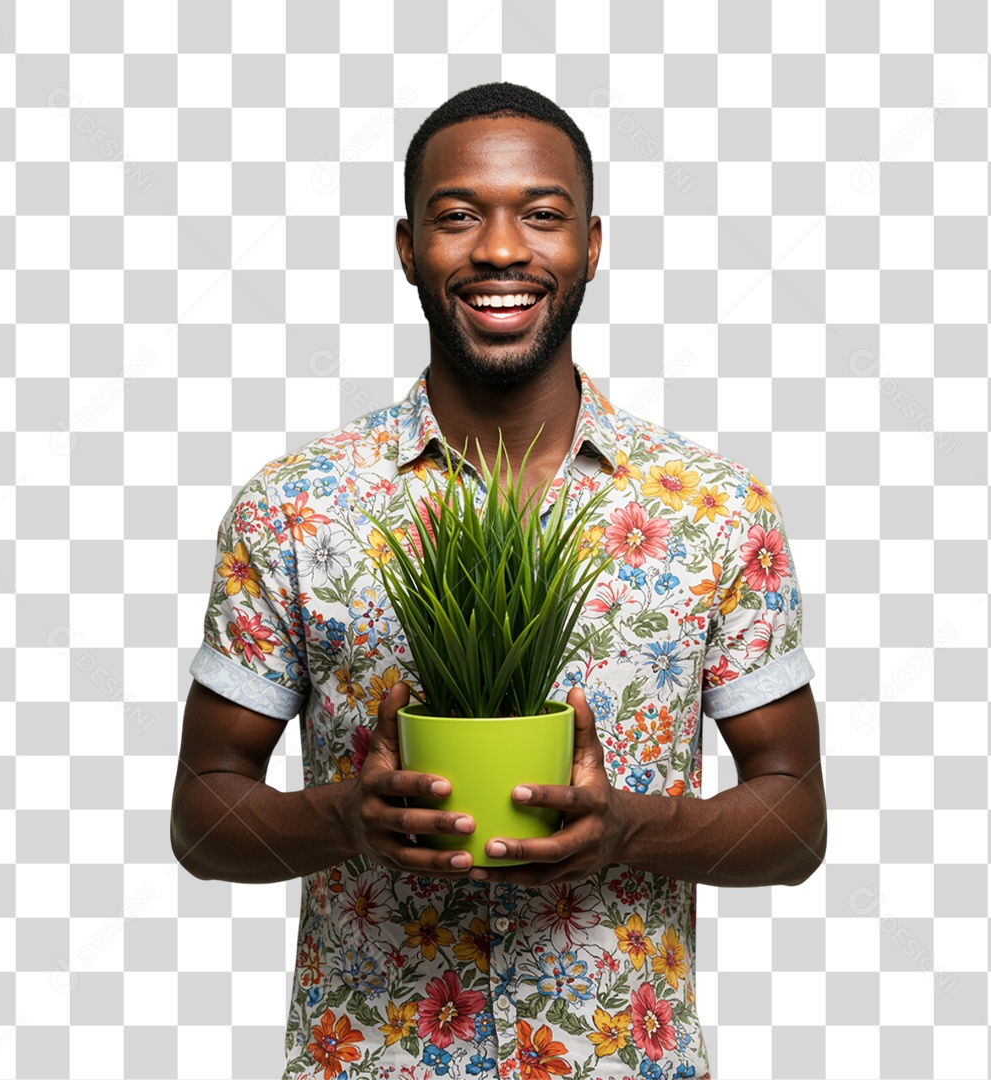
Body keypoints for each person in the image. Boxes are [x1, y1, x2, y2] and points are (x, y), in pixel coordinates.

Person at [171, 81, 826, 1080]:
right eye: (458, 215)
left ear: (592, 244)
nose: (502, 249)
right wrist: (342, 816)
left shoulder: (715, 512)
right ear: (407, 248)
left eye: (543, 215)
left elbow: (794, 822)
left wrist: (631, 829)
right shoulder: (294, 509)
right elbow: (204, 817)